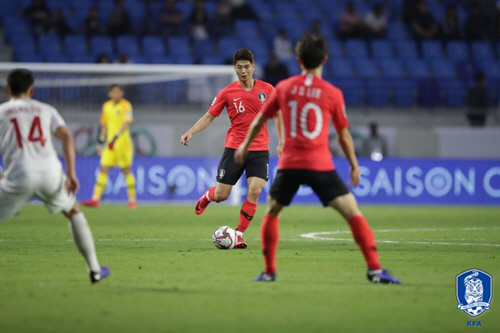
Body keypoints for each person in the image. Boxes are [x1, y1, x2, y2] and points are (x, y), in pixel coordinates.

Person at [234, 35, 402, 284]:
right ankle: (375, 270)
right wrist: (355, 165)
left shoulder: (284, 87)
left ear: (298, 60)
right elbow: (344, 135)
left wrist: (244, 147)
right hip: (320, 165)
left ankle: (269, 272)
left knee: (272, 212)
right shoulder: (332, 93)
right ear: (324, 59)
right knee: (352, 213)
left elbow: (260, 120)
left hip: (290, 164)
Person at [0, 68, 109, 283]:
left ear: (7, 90)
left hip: (18, 174)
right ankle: (94, 270)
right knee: (73, 211)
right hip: (50, 172)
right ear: (31, 90)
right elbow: (67, 138)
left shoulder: (2, 112)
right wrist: (71, 174)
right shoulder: (45, 109)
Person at [180, 48, 284, 249]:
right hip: (234, 149)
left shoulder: (268, 90)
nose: (243, 71)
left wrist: (280, 141)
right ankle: (208, 196)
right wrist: (191, 131)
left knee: (255, 190)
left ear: (254, 67)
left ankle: (238, 235)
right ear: (234, 68)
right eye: (239, 67)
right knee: (222, 195)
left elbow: (278, 114)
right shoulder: (226, 93)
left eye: (247, 67)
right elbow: (209, 116)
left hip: (260, 149)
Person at [81, 84, 137, 209]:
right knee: (103, 168)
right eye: (114, 92)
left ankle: (132, 201)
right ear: (110, 94)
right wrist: (101, 142)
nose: (116, 94)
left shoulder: (126, 105)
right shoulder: (106, 106)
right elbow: (104, 126)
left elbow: (126, 123)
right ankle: (95, 199)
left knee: (125, 170)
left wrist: (116, 137)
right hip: (109, 144)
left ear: (121, 93)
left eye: (118, 91)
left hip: (123, 143)